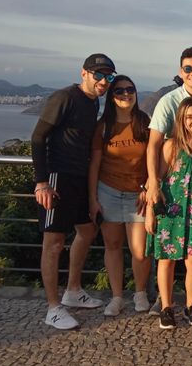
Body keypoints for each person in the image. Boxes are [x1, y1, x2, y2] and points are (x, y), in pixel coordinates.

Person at [32, 53, 115, 330]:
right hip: (58, 177)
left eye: (108, 77)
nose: (104, 81)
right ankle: (53, 308)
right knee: (53, 243)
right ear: (84, 73)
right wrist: (42, 182)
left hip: (79, 178)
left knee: (88, 230)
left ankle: (73, 290)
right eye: (99, 75)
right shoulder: (64, 97)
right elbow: (38, 137)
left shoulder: (92, 104)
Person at [145, 47, 192, 317]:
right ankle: (165, 303)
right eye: (188, 69)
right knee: (166, 252)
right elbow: (154, 145)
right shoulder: (169, 101)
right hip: (172, 186)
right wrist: (152, 184)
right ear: (181, 72)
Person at [87, 75, 152, 316]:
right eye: (120, 91)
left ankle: (140, 292)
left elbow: (153, 159)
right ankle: (117, 296)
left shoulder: (145, 122)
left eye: (130, 90)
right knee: (112, 245)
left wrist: (148, 186)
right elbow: (94, 163)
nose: (126, 94)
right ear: (112, 97)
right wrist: (93, 198)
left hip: (138, 194)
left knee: (140, 250)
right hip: (109, 191)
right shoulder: (103, 126)